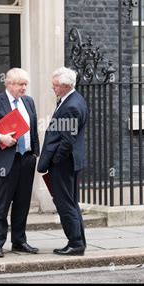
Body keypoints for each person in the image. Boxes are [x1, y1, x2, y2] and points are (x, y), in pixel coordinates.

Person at [0, 68, 40, 258]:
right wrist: (0, 137)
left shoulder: (28, 102)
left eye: (26, 84)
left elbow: (33, 129)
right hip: (4, 161)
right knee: (2, 204)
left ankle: (19, 241)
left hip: (26, 160)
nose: (24, 88)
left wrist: (35, 152)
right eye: (21, 84)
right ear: (9, 83)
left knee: (22, 203)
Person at [37, 67, 88, 256]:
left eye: (56, 85)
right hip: (69, 162)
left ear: (66, 85)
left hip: (64, 164)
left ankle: (75, 243)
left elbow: (67, 141)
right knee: (71, 203)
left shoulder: (72, 106)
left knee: (64, 203)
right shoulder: (73, 100)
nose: (53, 88)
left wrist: (55, 161)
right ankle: (78, 241)